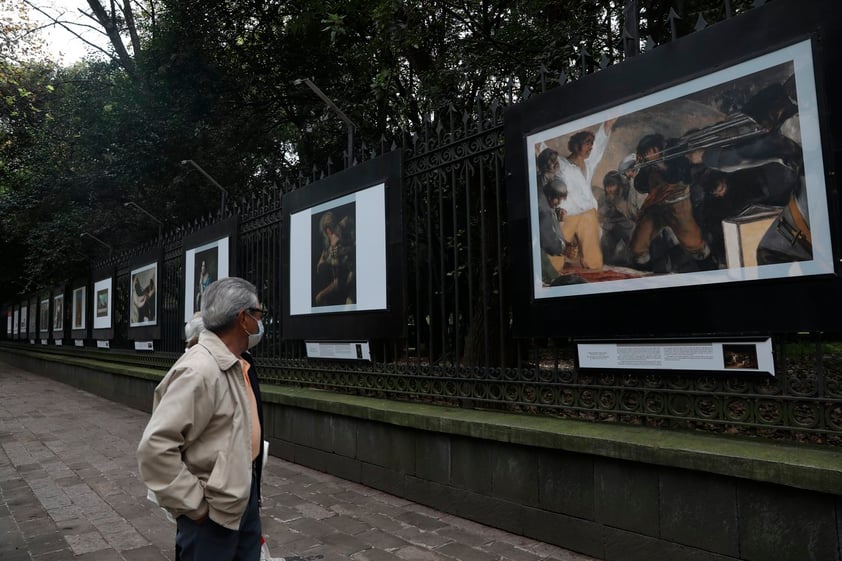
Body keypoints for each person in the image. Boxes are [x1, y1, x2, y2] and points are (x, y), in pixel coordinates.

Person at [138, 277, 266, 561]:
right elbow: (155, 448)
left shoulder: (235, 362)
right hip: (210, 515)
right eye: (258, 315)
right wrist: (195, 507)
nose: (261, 322)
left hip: (240, 498)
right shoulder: (200, 370)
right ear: (242, 319)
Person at [630, 133, 717, 272]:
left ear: (657, 149)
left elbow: (680, 177)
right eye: (645, 153)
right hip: (656, 208)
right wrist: (640, 169)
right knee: (638, 246)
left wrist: (660, 164)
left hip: (678, 207)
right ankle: (642, 276)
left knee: (694, 244)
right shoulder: (648, 166)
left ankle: (712, 271)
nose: (648, 155)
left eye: (650, 151)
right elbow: (641, 187)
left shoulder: (678, 158)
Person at [556, 118, 616, 270]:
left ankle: (594, 275)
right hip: (568, 214)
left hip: (588, 213)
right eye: (587, 143)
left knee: (594, 260)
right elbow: (540, 150)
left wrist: (608, 123)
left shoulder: (588, 163)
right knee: (555, 253)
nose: (591, 147)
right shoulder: (562, 164)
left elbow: (601, 141)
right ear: (576, 146)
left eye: (591, 143)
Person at [598, 171, 636, 266]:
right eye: (607, 186)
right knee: (605, 243)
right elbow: (601, 213)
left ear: (618, 185)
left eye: (612, 185)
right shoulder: (603, 197)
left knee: (633, 244)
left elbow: (632, 212)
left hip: (626, 225)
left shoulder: (626, 194)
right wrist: (609, 206)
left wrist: (620, 206)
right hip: (610, 226)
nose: (609, 189)